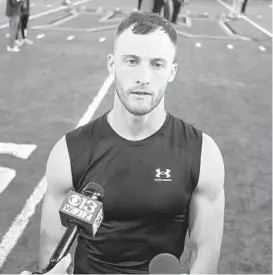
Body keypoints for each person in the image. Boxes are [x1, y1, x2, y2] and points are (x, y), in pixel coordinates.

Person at [39, 11, 225, 274]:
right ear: (112, 65)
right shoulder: (69, 152)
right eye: (132, 61)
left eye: (157, 64)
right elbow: (52, 252)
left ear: (172, 72)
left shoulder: (202, 153)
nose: (144, 77)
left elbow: (206, 254)